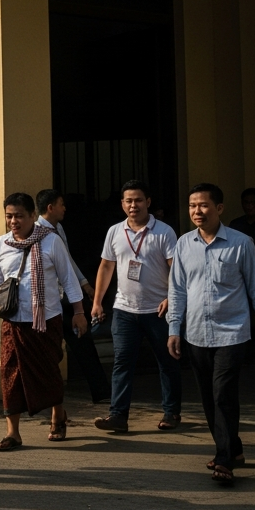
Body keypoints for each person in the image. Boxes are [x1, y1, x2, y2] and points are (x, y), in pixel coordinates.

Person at [168, 183, 255, 486]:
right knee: (207, 398)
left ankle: (224, 458)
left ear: (219, 208)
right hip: (195, 334)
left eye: (203, 205)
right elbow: (177, 290)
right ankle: (235, 448)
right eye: (192, 206)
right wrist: (173, 329)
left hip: (233, 333)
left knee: (223, 395)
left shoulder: (241, 243)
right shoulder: (183, 244)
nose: (197, 211)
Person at [0, 193, 88, 451]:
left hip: (45, 322)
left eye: (19, 215)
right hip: (13, 323)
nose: (13, 221)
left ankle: (57, 416)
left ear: (33, 216)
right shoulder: (2, 243)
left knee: (49, 372)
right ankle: (13, 433)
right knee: (9, 375)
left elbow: (68, 279)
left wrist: (79, 312)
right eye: (9, 216)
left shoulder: (51, 242)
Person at [90, 180, 181, 433]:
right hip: (124, 310)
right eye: (128, 201)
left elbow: (176, 269)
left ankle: (171, 411)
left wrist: (171, 297)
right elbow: (106, 266)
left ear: (148, 202)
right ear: (122, 204)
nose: (133, 205)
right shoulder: (115, 231)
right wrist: (97, 302)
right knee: (122, 363)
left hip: (158, 310)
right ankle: (118, 416)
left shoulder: (164, 232)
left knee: (167, 361)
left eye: (138, 200)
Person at [35, 189, 111, 404]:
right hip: (49, 301)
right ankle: (44, 397)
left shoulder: (58, 229)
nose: (64, 208)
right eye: (61, 204)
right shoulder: (36, 232)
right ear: (50, 207)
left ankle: (101, 392)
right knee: (46, 351)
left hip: (67, 299)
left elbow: (67, 261)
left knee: (83, 342)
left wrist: (85, 285)